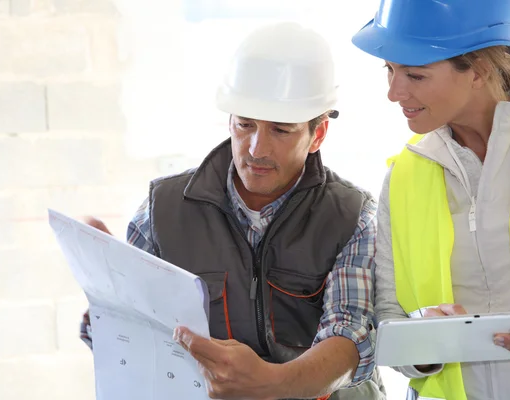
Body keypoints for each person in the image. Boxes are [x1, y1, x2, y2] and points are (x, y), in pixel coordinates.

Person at [80, 22, 386, 400]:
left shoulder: (352, 216)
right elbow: (131, 339)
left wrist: (269, 385)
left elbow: (350, 335)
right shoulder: (164, 211)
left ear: (317, 135)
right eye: (245, 124)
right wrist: (108, 304)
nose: (257, 148)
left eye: (281, 130)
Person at [351, 0, 510, 399]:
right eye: (389, 70)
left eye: (415, 75)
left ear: (478, 69)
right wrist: (424, 341)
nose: (393, 92)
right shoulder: (405, 175)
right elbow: (389, 319)